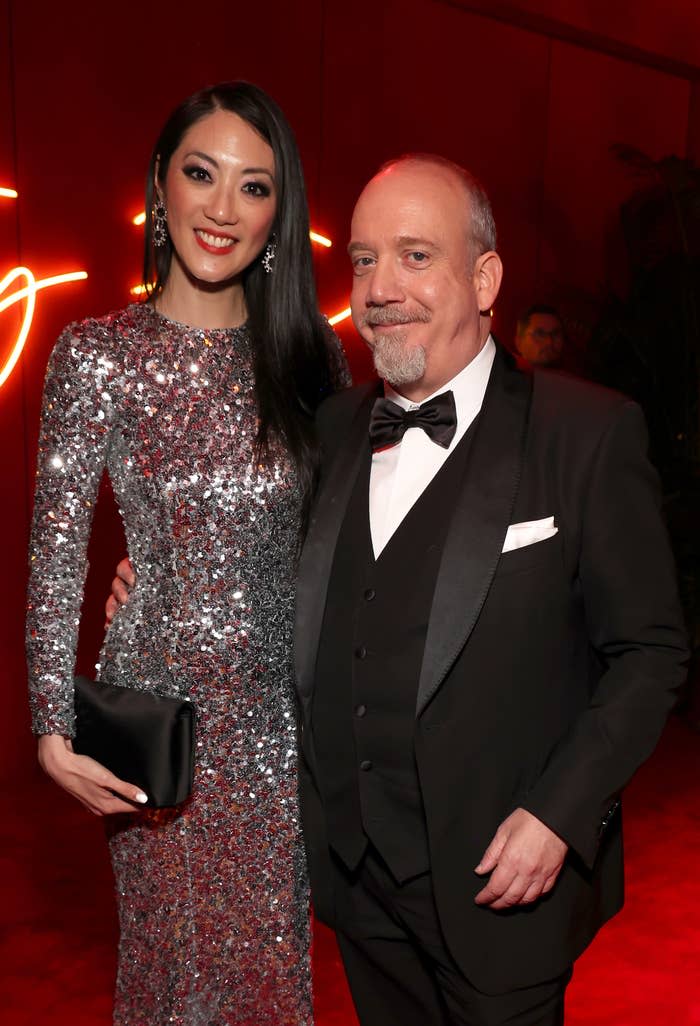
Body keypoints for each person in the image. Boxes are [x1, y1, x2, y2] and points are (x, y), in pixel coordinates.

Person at [292, 154, 688, 1025]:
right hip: (358, 886)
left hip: (502, 890)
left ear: (485, 277)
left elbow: (650, 653)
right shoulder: (334, 428)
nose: (379, 287)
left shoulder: (586, 434)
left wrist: (561, 813)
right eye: (362, 260)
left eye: (414, 255)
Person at [26, 81, 347, 1026]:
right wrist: (51, 723)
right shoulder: (98, 354)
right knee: (179, 987)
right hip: (162, 723)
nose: (222, 207)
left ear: (280, 215)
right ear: (159, 188)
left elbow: (341, 540)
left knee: (271, 984)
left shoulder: (309, 360)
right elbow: (57, 549)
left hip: (283, 727)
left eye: (255, 187)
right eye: (201, 174)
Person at [514, 303, 565, 368]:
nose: (549, 342)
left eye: (555, 334)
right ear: (519, 342)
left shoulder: (572, 377)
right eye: (540, 334)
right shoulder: (502, 376)